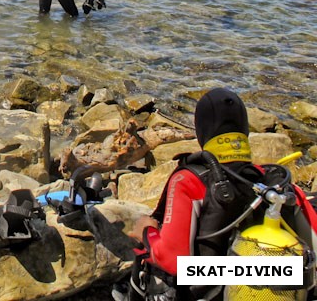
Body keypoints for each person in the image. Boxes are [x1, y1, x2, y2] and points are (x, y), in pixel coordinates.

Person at [123, 88, 317, 301]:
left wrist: (147, 232)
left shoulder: (189, 181)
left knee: (144, 252)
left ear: (201, 131)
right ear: (245, 131)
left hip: (206, 293)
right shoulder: (278, 184)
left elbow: (173, 261)